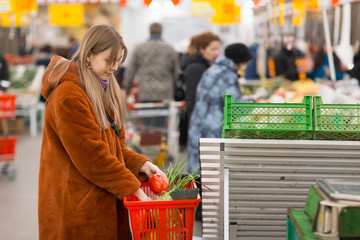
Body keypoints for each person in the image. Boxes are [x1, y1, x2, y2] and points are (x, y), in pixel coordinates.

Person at [38, 24, 166, 240]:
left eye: (118, 61)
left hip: (100, 200)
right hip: (76, 204)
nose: (114, 67)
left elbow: (115, 147)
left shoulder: (104, 89)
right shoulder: (69, 96)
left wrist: (142, 164)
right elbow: (92, 157)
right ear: (89, 56)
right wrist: (136, 190)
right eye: (109, 60)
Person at [187, 43, 252, 175]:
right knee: (212, 174)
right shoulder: (228, 76)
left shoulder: (212, 70)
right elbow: (234, 108)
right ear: (238, 61)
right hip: (213, 129)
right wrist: (253, 102)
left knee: (197, 172)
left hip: (198, 125)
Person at [179, 31, 221, 148]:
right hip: (200, 122)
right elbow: (194, 98)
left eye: (217, 49)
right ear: (202, 49)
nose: (216, 53)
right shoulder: (196, 68)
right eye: (213, 49)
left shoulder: (203, 65)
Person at [124, 22, 180, 102]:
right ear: (161, 31)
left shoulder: (139, 49)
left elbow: (130, 71)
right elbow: (176, 73)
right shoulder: (170, 49)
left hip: (145, 92)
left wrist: (127, 89)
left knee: (147, 114)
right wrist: (174, 88)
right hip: (165, 93)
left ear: (149, 31)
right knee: (164, 114)